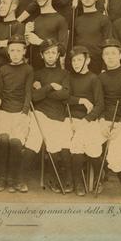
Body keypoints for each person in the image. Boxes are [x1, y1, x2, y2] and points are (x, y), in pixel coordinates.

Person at [23, 39, 73, 193]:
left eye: (53, 53)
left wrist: (43, 91)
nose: (50, 56)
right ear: (41, 55)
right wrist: (51, 87)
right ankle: (20, 177)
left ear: (58, 55)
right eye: (47, 53)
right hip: (40, 114)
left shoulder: (65, 74)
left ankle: (67, 178)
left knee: (63, 140)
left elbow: (65, 95)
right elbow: (34, 98)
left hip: (59, 114)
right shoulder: (36, 73)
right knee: (35, 139)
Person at [0, 34, 33, 193]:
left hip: (20, 112)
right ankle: (0, 177)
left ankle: (15, 178)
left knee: (16, 142)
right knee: (3, 139)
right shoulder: (2, 69)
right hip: (4, 111)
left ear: (24, 51)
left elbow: (28, 93)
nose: (15, 53)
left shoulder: (28, 70)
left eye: (18, 50)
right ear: (8, 52)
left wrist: (24, 112)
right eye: (12, 50)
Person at [97, 38, 121, 195]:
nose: (110, 57)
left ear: (120, 55)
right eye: (106, 54)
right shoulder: (100, 78)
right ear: (102, 57)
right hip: (103, 119)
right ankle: (99, 176)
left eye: (113, 53)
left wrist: (120, 125)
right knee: (91, 141)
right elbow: (98, 103)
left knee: (116, 146)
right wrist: (101, 122)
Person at [66, 46, 105, 196]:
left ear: (87, 61)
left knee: (91, 143)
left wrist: (87, 119)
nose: (76, 63)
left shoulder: (94, 79)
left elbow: (100, 104)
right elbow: (66, 98)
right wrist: (81, 100)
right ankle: (78, 182)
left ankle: (98, 177)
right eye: (74, 60)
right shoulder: (69, 77)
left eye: (79, 60)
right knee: (76, 143)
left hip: (89, 119)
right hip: (71, 117)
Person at [24, 0, 69, 70]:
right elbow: (27, 53)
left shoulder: (60, 20)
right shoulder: (34, 21)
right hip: (35, 71)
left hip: (53, 71)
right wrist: (27, 39)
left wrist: (39, 42)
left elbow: (62, 50)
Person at [73, 0, 113, 74]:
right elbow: (73, 45)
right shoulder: (77, 20)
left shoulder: (104, 19)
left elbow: (108, 45)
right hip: (80, 66)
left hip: (98, 66)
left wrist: (104, 67)